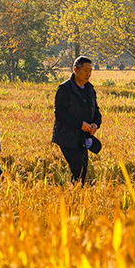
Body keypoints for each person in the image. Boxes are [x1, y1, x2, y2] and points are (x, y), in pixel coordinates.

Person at [52, 56, 102, 184]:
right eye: (86, 71)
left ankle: (76, 198)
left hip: (83, 138)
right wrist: (80, 124)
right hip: (67, 137)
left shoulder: (90, 89)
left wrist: (95, 124)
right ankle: (76, 197)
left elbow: (96, 111)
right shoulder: (65, 89)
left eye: (90, 71)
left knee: (81, 172)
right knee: (80, 170)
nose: (89, 74)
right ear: (75, 69)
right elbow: (60, 114)